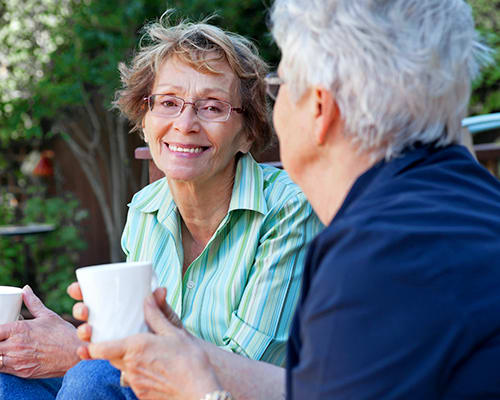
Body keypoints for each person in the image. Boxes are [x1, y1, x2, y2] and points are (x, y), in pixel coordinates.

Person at [72, 0, 500, 399]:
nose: (185, 124)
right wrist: (178, 347)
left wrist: (201, 390)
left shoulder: (377, 255)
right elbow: (317, 388)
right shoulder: (461, 203)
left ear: (319, 108)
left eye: (280, 86)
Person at [0, 15, 323, 399]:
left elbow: (242, 369)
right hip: (154, 387)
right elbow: (130, 339)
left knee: (92, 377)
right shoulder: (145, 208)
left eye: (213, 107)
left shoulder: (289, 209)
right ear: (145, 117)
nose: (185, 123)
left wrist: (78, 349)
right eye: (168, 103)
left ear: (247, 133)